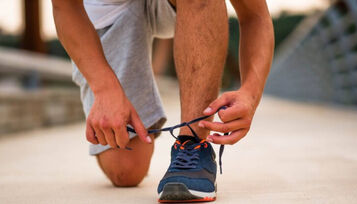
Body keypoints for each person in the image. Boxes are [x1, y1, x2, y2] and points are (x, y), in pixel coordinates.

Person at [51, 0, 274, 202]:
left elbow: (255, 15)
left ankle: (192, 144)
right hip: (107, 7)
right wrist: (105, 89)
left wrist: (250, 94)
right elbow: (64, 7)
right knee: (126, 169)